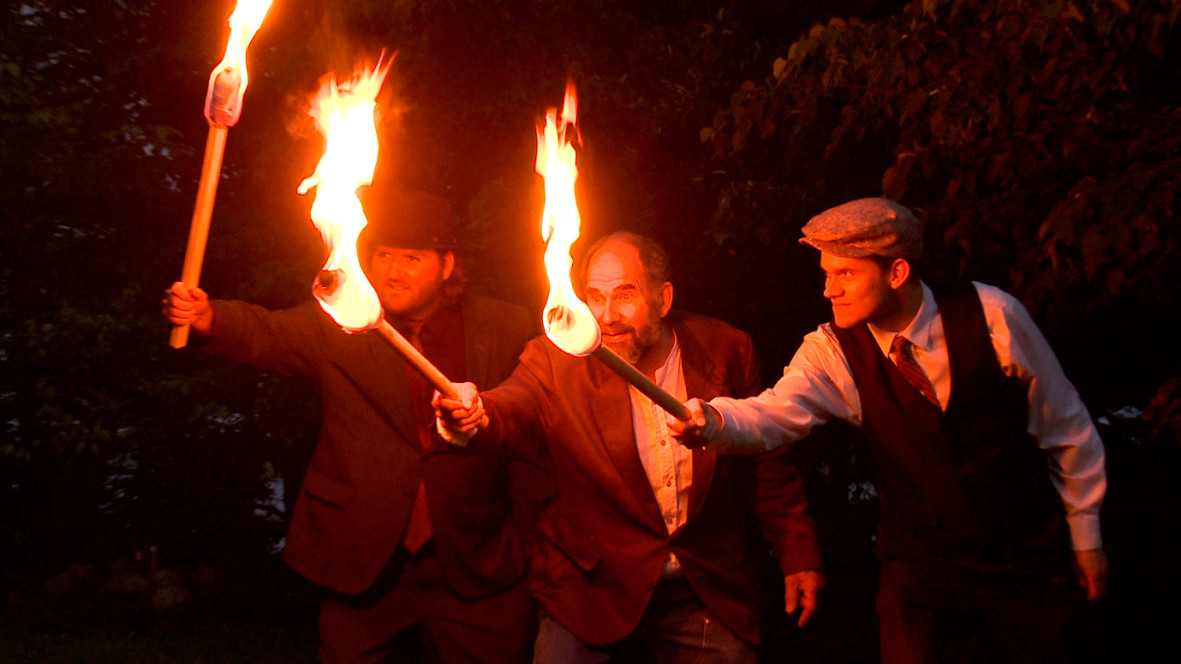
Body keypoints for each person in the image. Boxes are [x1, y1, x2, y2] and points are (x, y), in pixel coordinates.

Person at [669, 198, 1108, 663]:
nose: (829, 289)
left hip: (1024, 562)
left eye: (845, 273)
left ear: (897, 272)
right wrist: (713, 421)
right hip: (919, 570)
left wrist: (1087, 535)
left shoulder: (992, 314)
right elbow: (774, 412)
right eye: (826, 273)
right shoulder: (831, 350)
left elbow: (1066, 426)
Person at [162, 187, 552, 664]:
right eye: (384, 255)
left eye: (412, 258)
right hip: (361, 563)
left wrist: (525, 536)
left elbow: (533, 429)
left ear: (447, 265)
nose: (393, 271)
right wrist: (208, 318)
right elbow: (267, 332)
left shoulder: (505, 325)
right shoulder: (343, 321)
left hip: (476, 563)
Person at [435, 232, 824, 663]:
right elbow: (512, 405)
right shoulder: (556, 358)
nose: (606, 316)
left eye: (624, 295)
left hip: (702, 589)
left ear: (663, 299)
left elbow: (767, 461)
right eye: (594, 297)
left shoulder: (725, 348)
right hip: (591, 593)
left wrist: (798, 552)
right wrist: (477, 413)